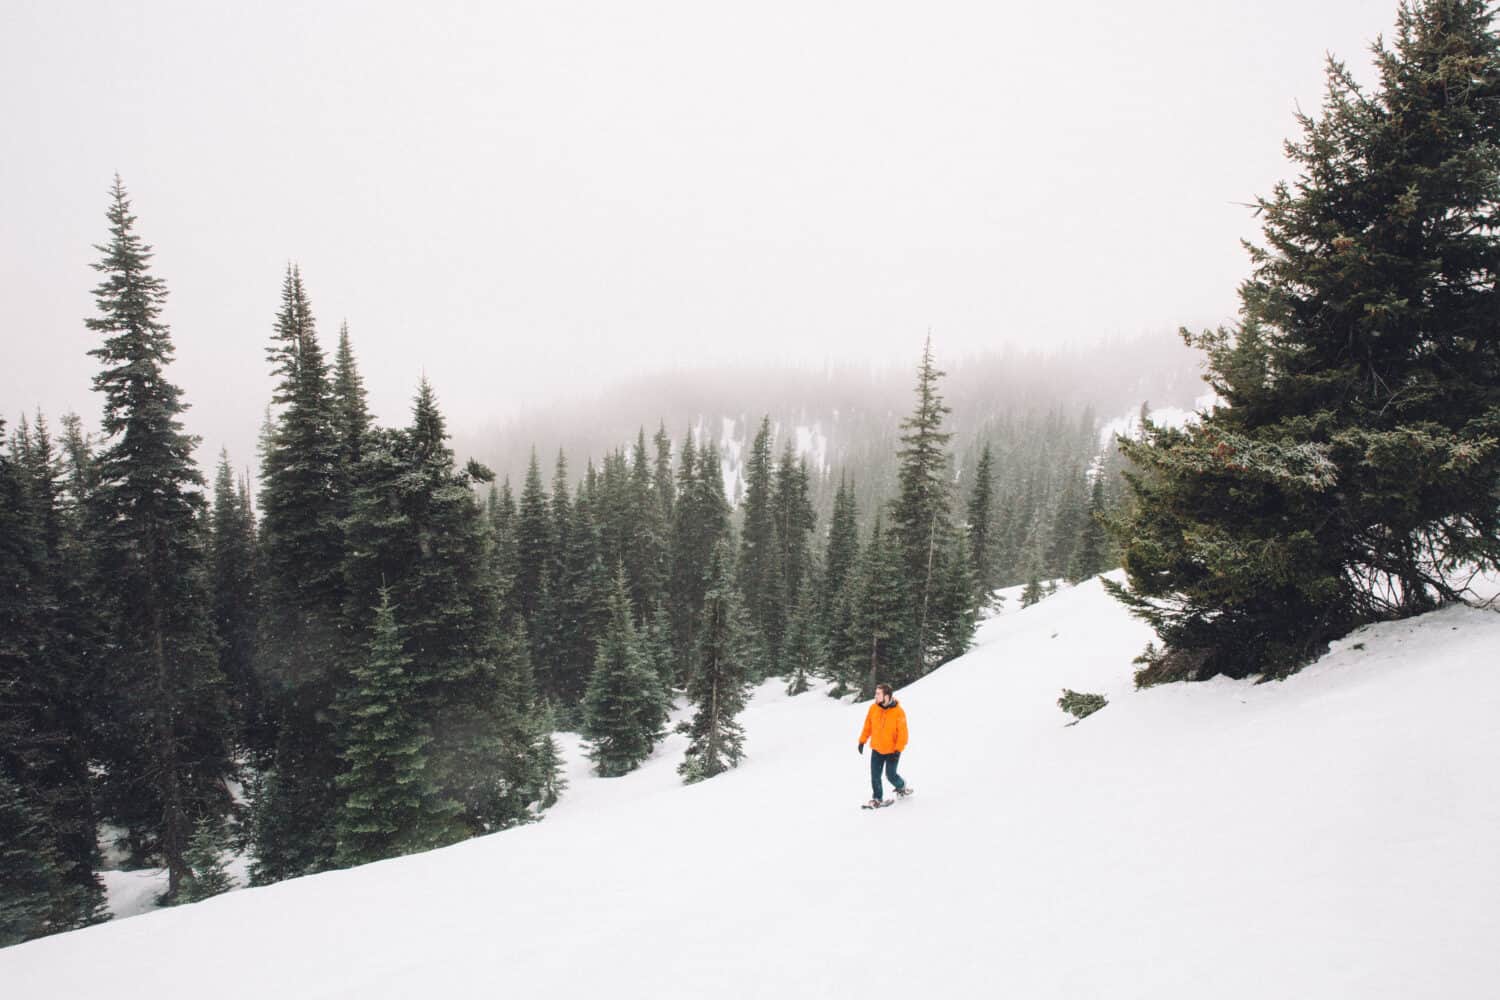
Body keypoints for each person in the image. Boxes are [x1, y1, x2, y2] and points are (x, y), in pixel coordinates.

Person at [857, 683, 911, 807]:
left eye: (878, 694)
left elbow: (903, 734)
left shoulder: (898, 712)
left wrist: (898, 751)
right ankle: (877, 798)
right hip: (877, 749)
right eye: (876, 693)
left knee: (890, 775)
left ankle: (901, 786)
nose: (875, 696)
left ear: (886, 696)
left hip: (892, 751)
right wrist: (862, 741)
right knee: (875, 775)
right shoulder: (873, 708)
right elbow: (868, 726)